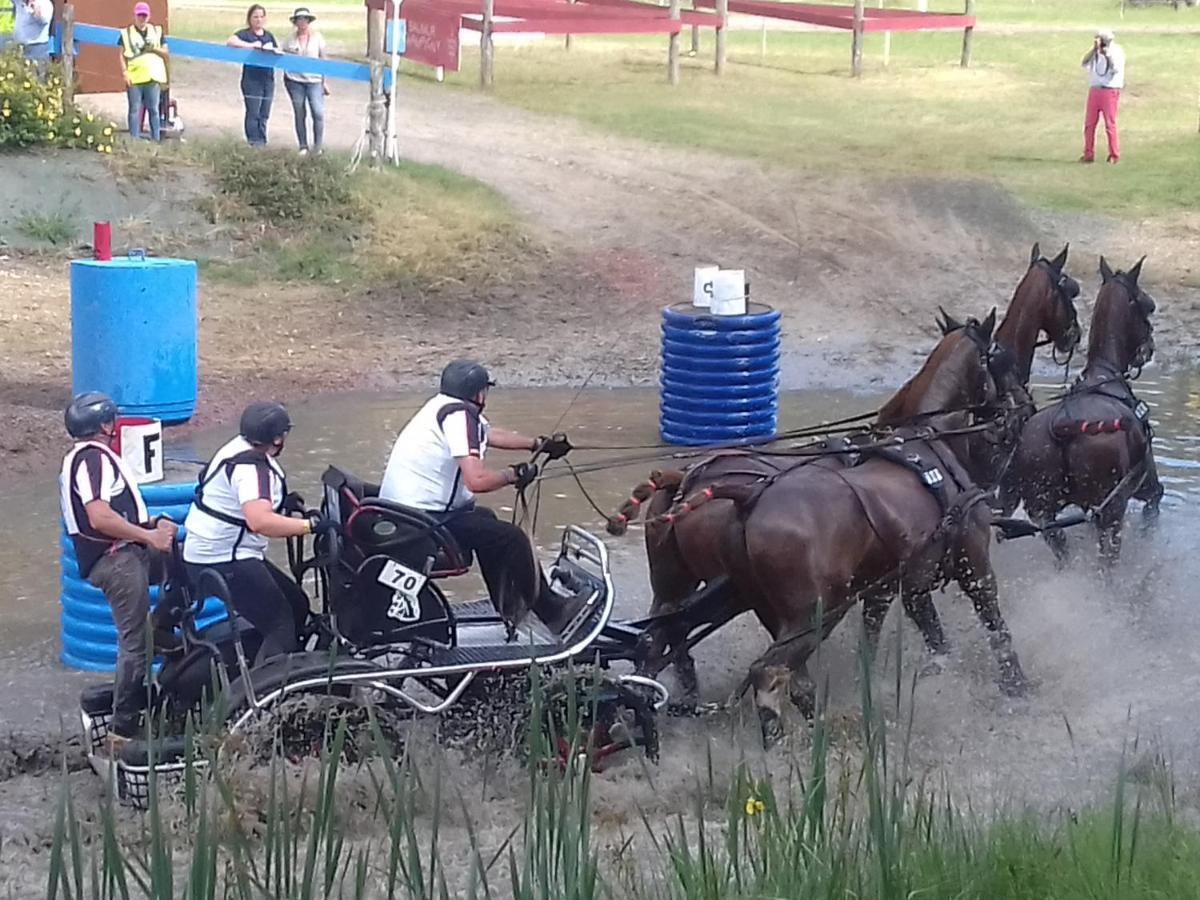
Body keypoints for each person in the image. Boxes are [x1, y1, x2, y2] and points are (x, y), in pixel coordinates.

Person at [378, 360, 581, 633]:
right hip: (425, 518)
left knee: (486, 520)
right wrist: (513, 475)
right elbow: (477, 481)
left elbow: (489, 434)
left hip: (404, 510)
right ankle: (552, 611)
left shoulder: (443, 407)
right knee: (512, 537)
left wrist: (539, 444)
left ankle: (509, 605)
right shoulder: (460, 417)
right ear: (479, 394)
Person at [59, 392, 179, 751]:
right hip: (117, 560)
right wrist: (147, 536)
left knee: (182, 570)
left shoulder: (83, 458)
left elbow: (113, 512)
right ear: (106, 425)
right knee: (134, 646)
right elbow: (99, 516)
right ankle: (122, 731)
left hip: (120, 555)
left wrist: (151, 523)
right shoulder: (92, 460)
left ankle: (162, 634)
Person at [183, 401, 326, 665]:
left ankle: (287, 666)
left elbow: (238, 502)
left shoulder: (235, 448)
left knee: (297, 603)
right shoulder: (254, 468)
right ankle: (265, 694)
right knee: (280, 622)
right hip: (224, 558)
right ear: (277, 438)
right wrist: (310, 526)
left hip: (208, 552)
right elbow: (260, 522)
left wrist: (282, 504)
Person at [227, 4, 281, 146]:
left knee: (264, 113)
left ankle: (262, 140)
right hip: (252, 80)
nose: (258, 20)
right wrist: (251, 46)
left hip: (268, 79)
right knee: (253, 112)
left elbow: (277, 51)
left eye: (261, 16)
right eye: (255, 17)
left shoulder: (269, 36)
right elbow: (231, 41)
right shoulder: (245, 34)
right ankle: (254, 141)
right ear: (250, 19)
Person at [118, 2, 169, 142]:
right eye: (140, 15)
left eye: (144, 15)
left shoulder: (157, 31)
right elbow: (121, 54)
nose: (142, 18)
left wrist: (153, 48)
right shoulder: (126, 33)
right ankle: (134, 140)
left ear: (148, 16)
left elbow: (166, 53)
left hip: (153, 76)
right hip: (134, 77)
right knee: (134, 110)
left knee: (154, 110)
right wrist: (124, 73)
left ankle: (155, 140)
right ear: (135, 15)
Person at [282, 6, 328, 155]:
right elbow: (283, 58)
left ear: (308, 21)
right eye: (299, 20)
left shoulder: (318, 37)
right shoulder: (289, 39)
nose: (302, 22)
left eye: (305, 19)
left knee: (318, 112)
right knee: (299, 111)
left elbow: (323, 59)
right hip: (295, 80)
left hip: (314, 80)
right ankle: (303, 146)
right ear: (295, 22)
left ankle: (318, 146)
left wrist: (324, 81)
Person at [1080, 29, 1124, 164]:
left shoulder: (1117, 51)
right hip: (1095, 90)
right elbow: (1084, 62)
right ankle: (1088, 154)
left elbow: (1115, 69)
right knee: (1089, 124)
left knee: (1109, 124)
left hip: (1109, 90)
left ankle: (1113, 155)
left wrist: (1107, 56)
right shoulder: (1095, 53)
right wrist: (1094, 50)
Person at [12, 0, 52, 78]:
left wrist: (36, 12)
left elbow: (43, 20)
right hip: (19, 48)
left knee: (37, 81)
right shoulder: (20, 2)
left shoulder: (44, 3)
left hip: (37, 50)